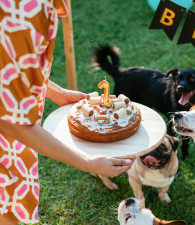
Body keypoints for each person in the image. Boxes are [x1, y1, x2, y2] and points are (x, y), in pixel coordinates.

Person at [0, 1, 134, 224]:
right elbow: (11, 122)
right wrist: (87, 162)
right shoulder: (26, 10)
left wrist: (57, 92)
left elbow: (8, 70)